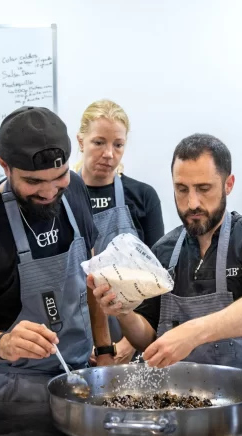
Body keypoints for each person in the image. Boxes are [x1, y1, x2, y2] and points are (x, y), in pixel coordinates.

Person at [0, 106, 111, 402]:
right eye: (33, 182)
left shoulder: (76, 189)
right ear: (4, 165)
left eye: (60, 176)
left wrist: (104, 350)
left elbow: (91, 277)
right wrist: (3, 343)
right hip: (6, 392)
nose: (49, 192)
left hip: (78, 380)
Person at [89, 134, 242, 380]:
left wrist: (193, 332)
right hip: (181, 399)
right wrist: (123, 311)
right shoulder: (164, 251)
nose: (192, 202)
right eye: (182, 189)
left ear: (228, 184)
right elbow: (148, 338)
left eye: (204, 189)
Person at [73, 99, 164, 364]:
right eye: (99, 142)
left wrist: (128, 341)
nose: (109, 154)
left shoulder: (143, 197)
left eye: (118, 144)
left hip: (131, 335)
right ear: (80, 142)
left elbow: (156, 279)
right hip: (74, 340)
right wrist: (92, 345)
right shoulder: (61, 197)